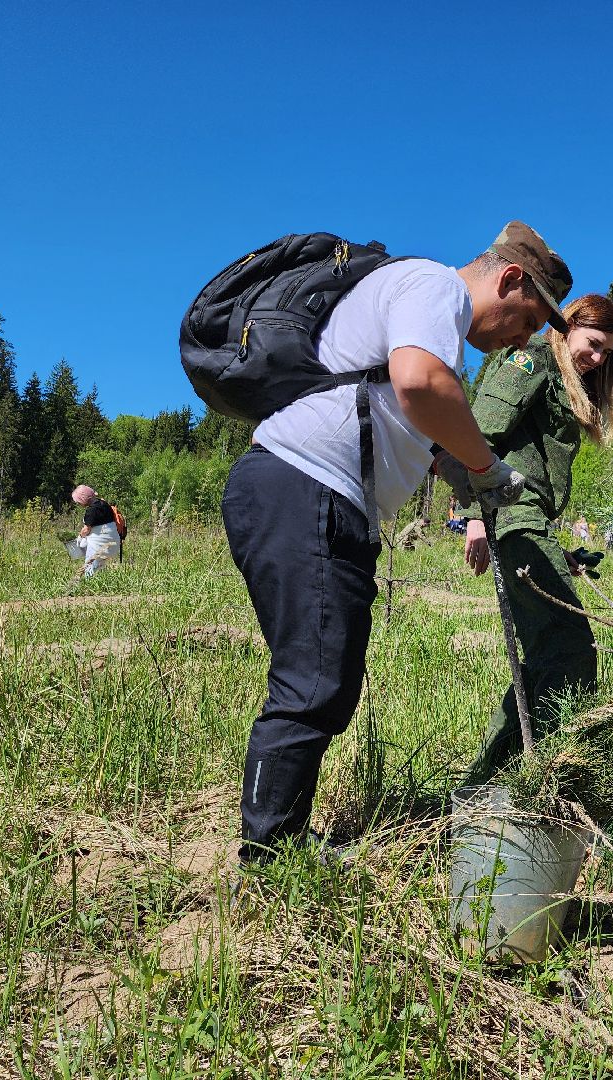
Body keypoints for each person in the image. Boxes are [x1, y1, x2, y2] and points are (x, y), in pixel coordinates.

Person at [221, 220, 570, 864]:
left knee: (324, 674)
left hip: (314, 497)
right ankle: (269, 857)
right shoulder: (434, 286)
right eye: (529, 320)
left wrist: (467, 473)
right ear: (510, 279)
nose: (525, 339)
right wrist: (488, 467)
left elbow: (417, 421)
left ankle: (277, 840)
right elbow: (418, 383)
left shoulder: (432, 319)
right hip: (306, 487)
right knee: (314, 679)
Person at [460, 294, 613, 784]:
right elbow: (480, 431)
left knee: (546, 653)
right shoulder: (530, 358)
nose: (597, 358)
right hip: (510, 515)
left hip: (530, 522)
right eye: (592, 344)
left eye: (606, 352)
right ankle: (545, 772)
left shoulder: (564, 380)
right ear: (566, 327)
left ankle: (492, 778)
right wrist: (473, 514)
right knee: (567, 646)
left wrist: (557, 549)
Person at [71, 485, 122, 577]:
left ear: (83, 498)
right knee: (101, 567)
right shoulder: (105, 504)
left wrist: (80, 537)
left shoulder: (91, 510)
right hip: (114, 541)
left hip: (99, 544)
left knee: (90, 568)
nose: (79, 504)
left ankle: (89, 583)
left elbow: (86, 529)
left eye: (78, 502)